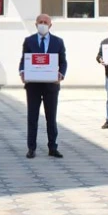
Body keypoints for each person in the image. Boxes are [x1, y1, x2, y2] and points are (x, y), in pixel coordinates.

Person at [19, 14, 67, 159]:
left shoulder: (58, 42)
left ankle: (52, 147)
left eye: (45, 22)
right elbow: (24, 60)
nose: (43, 24)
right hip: (33, 85)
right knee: (32, 117)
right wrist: (22, 72)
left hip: (51, 85)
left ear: (50, 25)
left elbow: (63, 62)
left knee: (51, 117)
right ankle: (31, 148)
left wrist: (61, 74)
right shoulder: (29, 41)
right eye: (40, 22)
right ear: (36, 24)